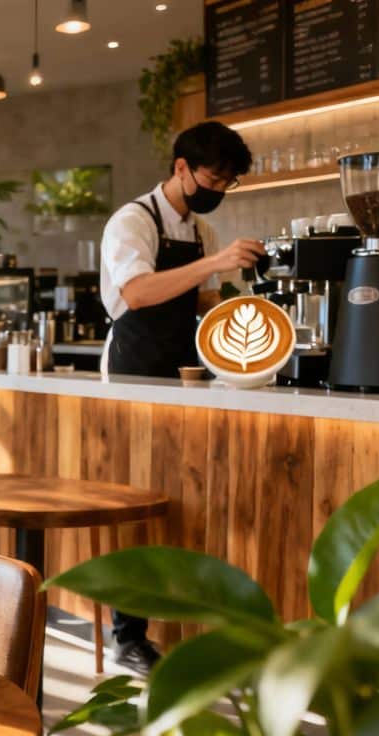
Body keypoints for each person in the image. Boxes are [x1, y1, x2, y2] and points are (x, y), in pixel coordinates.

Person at [98, 120, 260, 672]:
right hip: (134, 372)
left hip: (183, 372)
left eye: (227, 183)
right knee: (136, 503)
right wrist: (215, 263)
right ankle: (127, 636)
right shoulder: (132, 221)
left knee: (178, 497)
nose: (218, 191)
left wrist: (249, 308)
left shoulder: (200, 231)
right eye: (213, 180)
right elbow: (138, 293)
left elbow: (201, 301)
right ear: (181, 168)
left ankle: (182, 628)